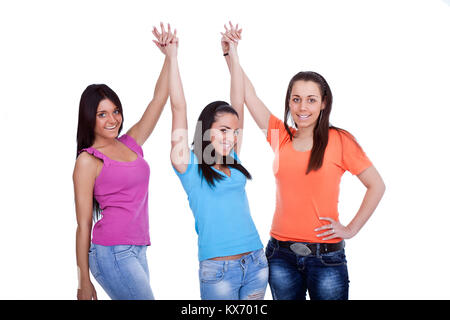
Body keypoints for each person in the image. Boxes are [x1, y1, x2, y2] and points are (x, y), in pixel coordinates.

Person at [222, 23, 386, 300]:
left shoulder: (340, 140)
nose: (302, 107)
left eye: (311, 100)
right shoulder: (281, 136)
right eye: (296, 99)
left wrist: (350, 229)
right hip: (279, 255)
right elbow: (248, 95)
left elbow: (377, 185)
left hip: (325, 259)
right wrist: (232, 55)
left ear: (323, 103)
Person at [168, 24, 268, 300]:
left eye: (235, 132)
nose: (231, 137)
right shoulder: (186, 163)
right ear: (205, 129)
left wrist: (232, 53)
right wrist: (172, 57)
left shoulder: (233, 157)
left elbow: (239, 99)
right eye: (223, 130)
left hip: (256, 262)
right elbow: (179, 106)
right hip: (218, 270)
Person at [73, 23, 173, 300]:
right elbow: (83, 224)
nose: (112, 119)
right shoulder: (88, 160)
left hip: (137, 249)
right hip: (112, 252)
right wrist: (83, 280)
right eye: (102, 114)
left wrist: (170, 57)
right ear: (89, 118)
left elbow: (159, 100)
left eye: (115, 111)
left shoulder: (129, 144)